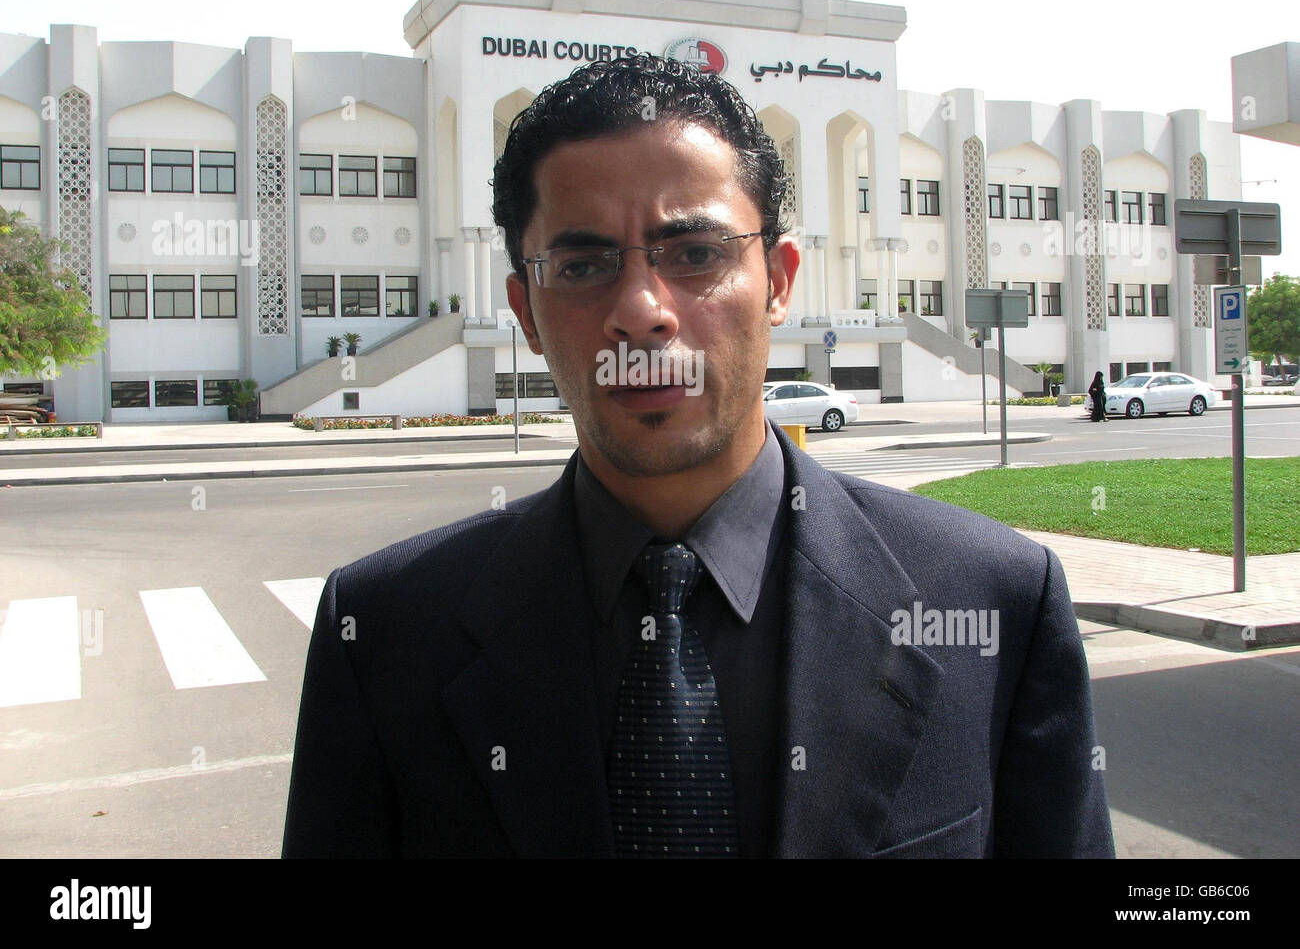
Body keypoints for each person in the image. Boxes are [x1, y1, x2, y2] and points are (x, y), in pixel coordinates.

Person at [282, 53, 1114, 859]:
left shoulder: (994, 604)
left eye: (696, 254)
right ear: (526, 313)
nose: (641, 310)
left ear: (781, 280)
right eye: (582, 263)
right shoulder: (386, 632)